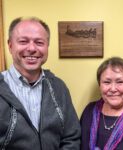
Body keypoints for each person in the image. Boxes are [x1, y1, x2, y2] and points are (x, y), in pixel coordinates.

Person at [0, 17, 81, 150]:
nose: (31, 48)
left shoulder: (59, 87)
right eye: (23, 41)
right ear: (10, 45)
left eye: (39, 42)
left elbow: (71, 137)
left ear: (47, 46)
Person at [80, 56, 123, 150]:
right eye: (107, 82)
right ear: (99, 85)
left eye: (120, 82)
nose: (113, 89)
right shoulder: (89, 110)